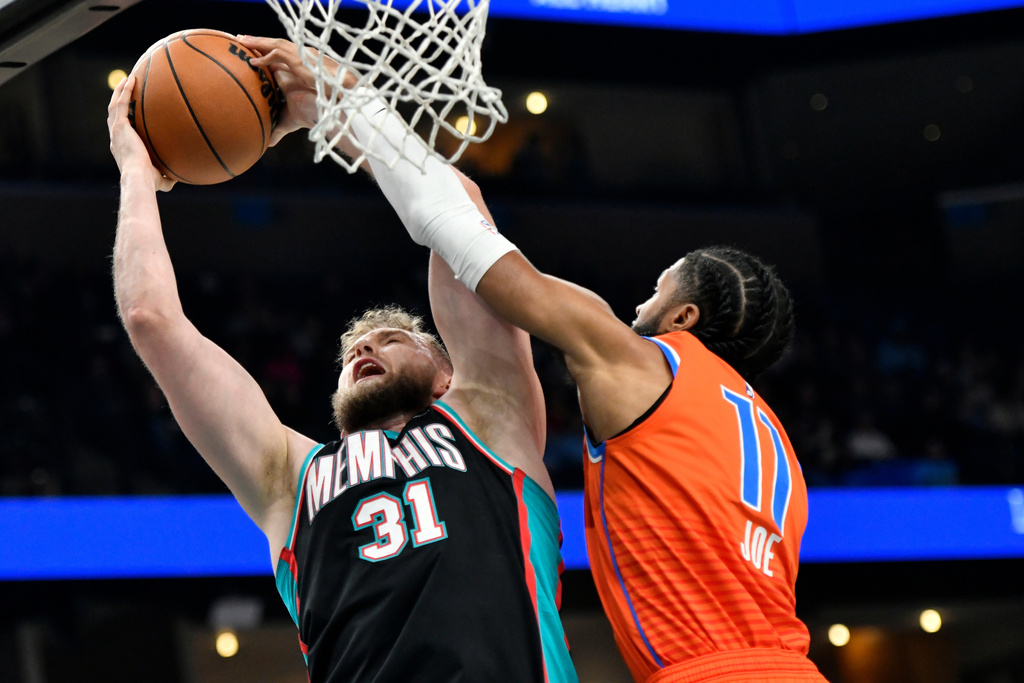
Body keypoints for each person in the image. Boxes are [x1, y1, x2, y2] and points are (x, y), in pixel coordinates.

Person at [240, 36, 829, 683]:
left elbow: (462, 230)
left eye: (661, 286)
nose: (639, 303)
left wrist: (343, 99)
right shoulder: (772, 442)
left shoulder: (647, 366)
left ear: (686, 317)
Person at [106, 70, 577, 683]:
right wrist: (137, 171)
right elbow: (151, 319)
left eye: (392, 340)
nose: (363, 350)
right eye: (352, 350)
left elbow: (457, 213)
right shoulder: (287, 477)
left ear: (445, 372)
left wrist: (335, 103)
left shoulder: (491, 416)